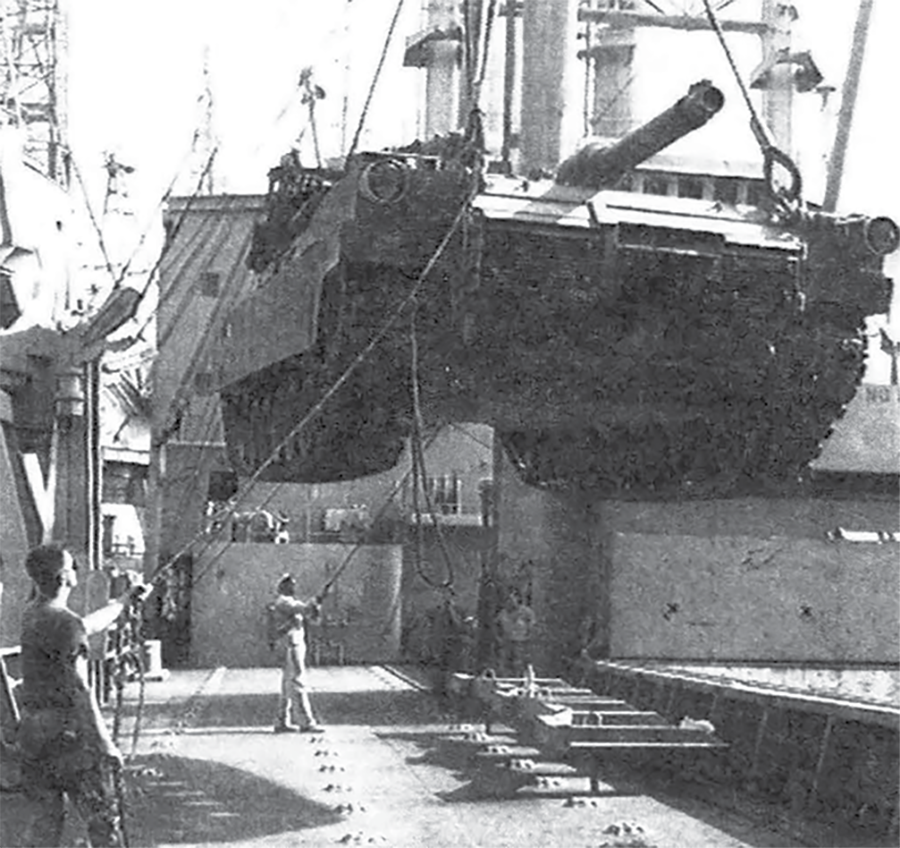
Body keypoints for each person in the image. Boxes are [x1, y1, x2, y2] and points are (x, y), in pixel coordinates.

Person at [17, 543, 148, 848]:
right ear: (65, 578)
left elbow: (84, 626)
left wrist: (122, 603)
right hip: (68, 739)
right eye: (72, 566)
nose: (77, 571)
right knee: (104, 823)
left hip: (33, 735)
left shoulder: (33, 614)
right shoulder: (65, 623)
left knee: (45, 825)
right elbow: (81, 687)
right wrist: (105, 743)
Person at [271, 574, 324, 733]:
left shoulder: (290, 602)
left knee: (287, 685)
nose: (293, 587)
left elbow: (312, 616)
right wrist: (316, 600)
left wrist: (317, 605)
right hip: (290, 643)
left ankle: (281, 721)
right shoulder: (283, 601)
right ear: (281, 586)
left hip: (294, 642)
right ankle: (306, 721)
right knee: (297, 681)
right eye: (289, 584)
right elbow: (305, 608)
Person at [495, 589, 536, 678]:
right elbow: (496, 626)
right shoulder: (503, 613)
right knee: (505, 662)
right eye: (507, 599)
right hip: (507, 642)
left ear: (517, 599)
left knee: (519, 663)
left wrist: (528, 637)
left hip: (521, 642)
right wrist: (499, 638)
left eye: (512, 599)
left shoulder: (526, 612)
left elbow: (532, 626)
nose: (509, 602)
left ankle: (519, 679)